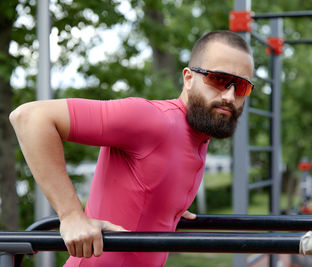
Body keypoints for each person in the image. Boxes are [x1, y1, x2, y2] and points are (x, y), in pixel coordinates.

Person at [9, 30, 254, 267]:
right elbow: (30, 118)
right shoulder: (152, 119)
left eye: (241, 87)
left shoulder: (199, 134)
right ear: (189, 78)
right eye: (218, 79)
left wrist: (169, 206)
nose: (230, 97)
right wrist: (71, 215)